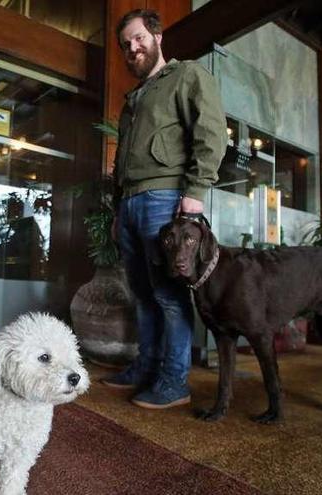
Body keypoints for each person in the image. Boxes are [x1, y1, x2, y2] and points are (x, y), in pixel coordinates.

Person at [101, 9, 227, 409]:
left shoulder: (187, 76)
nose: (132, 48)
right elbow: (122, 161)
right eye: (126, 45)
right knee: (142, 294)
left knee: (170, 296)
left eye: (138, 38)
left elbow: (210, 134)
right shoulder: (134, 99)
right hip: (132, 203)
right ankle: (147, 367)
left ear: (156, 36)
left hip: (166, 198)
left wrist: (195, 192)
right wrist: (120, 208)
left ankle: (175, 381)